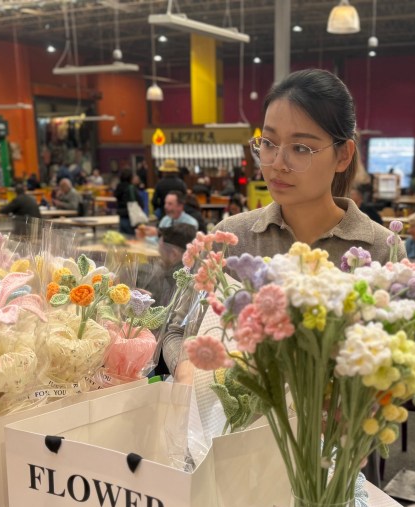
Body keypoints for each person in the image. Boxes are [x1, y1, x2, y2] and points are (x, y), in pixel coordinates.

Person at [162, 68, 397, 381]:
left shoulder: (379, 249)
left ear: (343, 155)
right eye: (269, 143)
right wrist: (188, 366)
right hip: (233, 425)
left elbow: (393, 364)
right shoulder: (233, 238)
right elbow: (178, 330)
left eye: (300, 148)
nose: (276, 163)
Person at [114, 168, 142, 235]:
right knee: (133, 241)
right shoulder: (131, 188)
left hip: (121, 218)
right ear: (130, 178)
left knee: (124, 240)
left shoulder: (118, 187)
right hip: (131, 218)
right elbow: (139, 203)